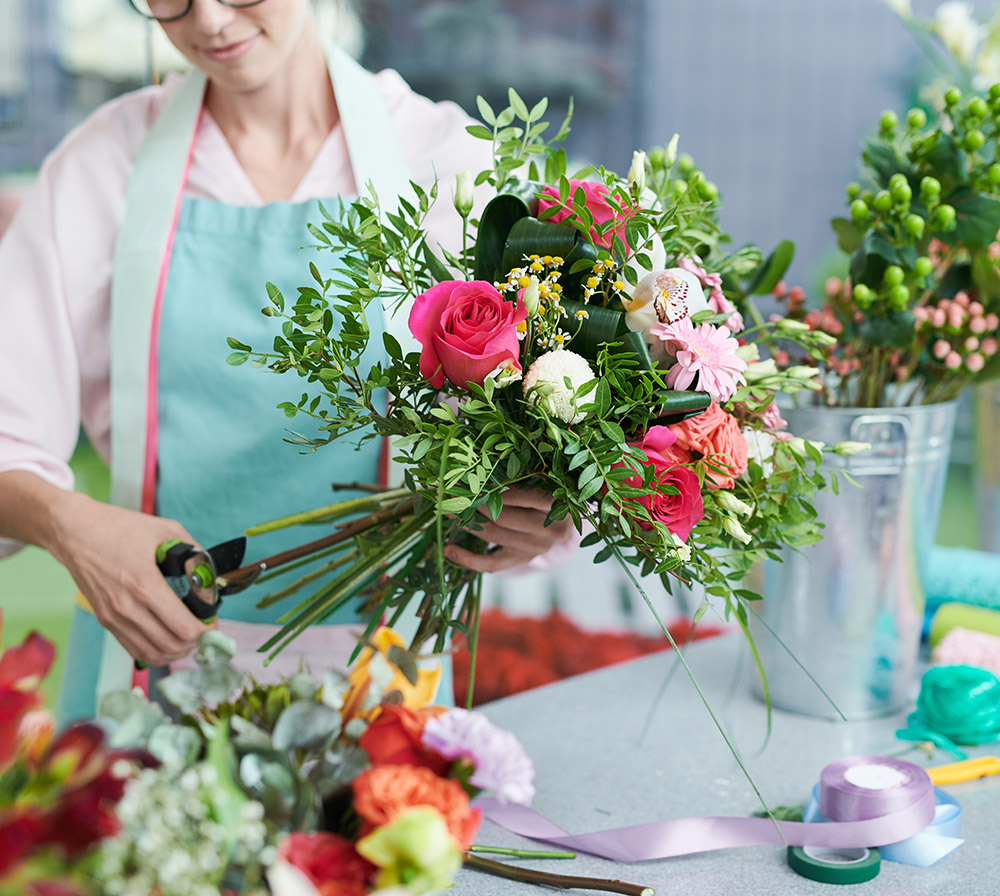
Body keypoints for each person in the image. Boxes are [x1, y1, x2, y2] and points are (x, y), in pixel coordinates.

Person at [0, 0, 572, 721]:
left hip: (380, 698)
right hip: (146, 670)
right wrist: (68, 525)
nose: (207, 21)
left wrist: (537, 517)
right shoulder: (100, 167)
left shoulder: (444, 160)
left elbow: (547, 418)